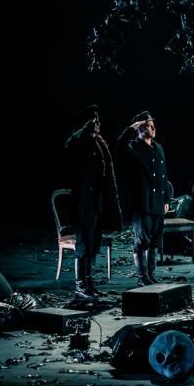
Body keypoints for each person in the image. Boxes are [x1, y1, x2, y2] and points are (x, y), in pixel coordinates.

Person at [64, 105, 122, 300]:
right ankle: (80, 285)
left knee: (93, 243)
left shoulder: (97, 142)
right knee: (84, 244)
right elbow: (75, 167)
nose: (98, 123)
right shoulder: (80, 141)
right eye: (95, 120)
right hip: (84, 202)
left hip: (97, 201)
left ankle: (89, 283)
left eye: (98, 120)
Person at [117, 111, 169, 286]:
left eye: (153, 124)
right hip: (142, 202)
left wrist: (166, 200)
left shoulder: (158, 148)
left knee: (154, 241)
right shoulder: (132, 148)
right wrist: (131, 129)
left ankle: (150, 275)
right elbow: (118, 146)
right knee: (142, 241)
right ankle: (142, 277)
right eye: (148, 125)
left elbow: (163, 176)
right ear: (139, 128)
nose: (153, 127)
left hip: (158, 202)